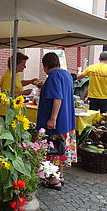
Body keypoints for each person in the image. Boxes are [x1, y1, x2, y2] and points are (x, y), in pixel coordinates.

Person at [36, 52, 76, 190]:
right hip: (66, 121)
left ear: (45, 65)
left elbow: (57, 98)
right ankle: (60, 176)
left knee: (52, 150)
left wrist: (52, 118)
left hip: (56, 122)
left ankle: (53, 180)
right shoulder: (66, 75)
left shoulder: (53, 76)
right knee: (60, 149)